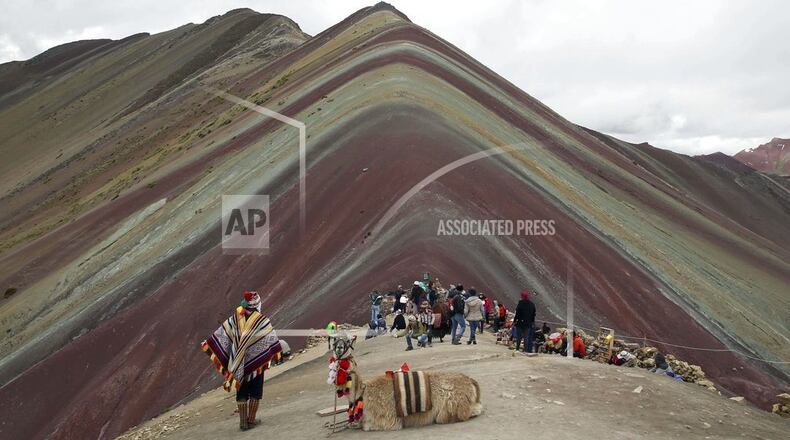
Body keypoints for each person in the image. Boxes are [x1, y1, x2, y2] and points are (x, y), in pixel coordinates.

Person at [201, 291, 282, 431]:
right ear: (257, 305)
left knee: (242, 391)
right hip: (257, 364)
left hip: (239, 364)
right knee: (256, 391)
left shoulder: (234, 319)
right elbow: (271, 338)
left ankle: (243, 422)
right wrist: (276, 354)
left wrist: (209, 343)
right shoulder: (262, 321)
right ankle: (251, 420)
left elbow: (223, 334)